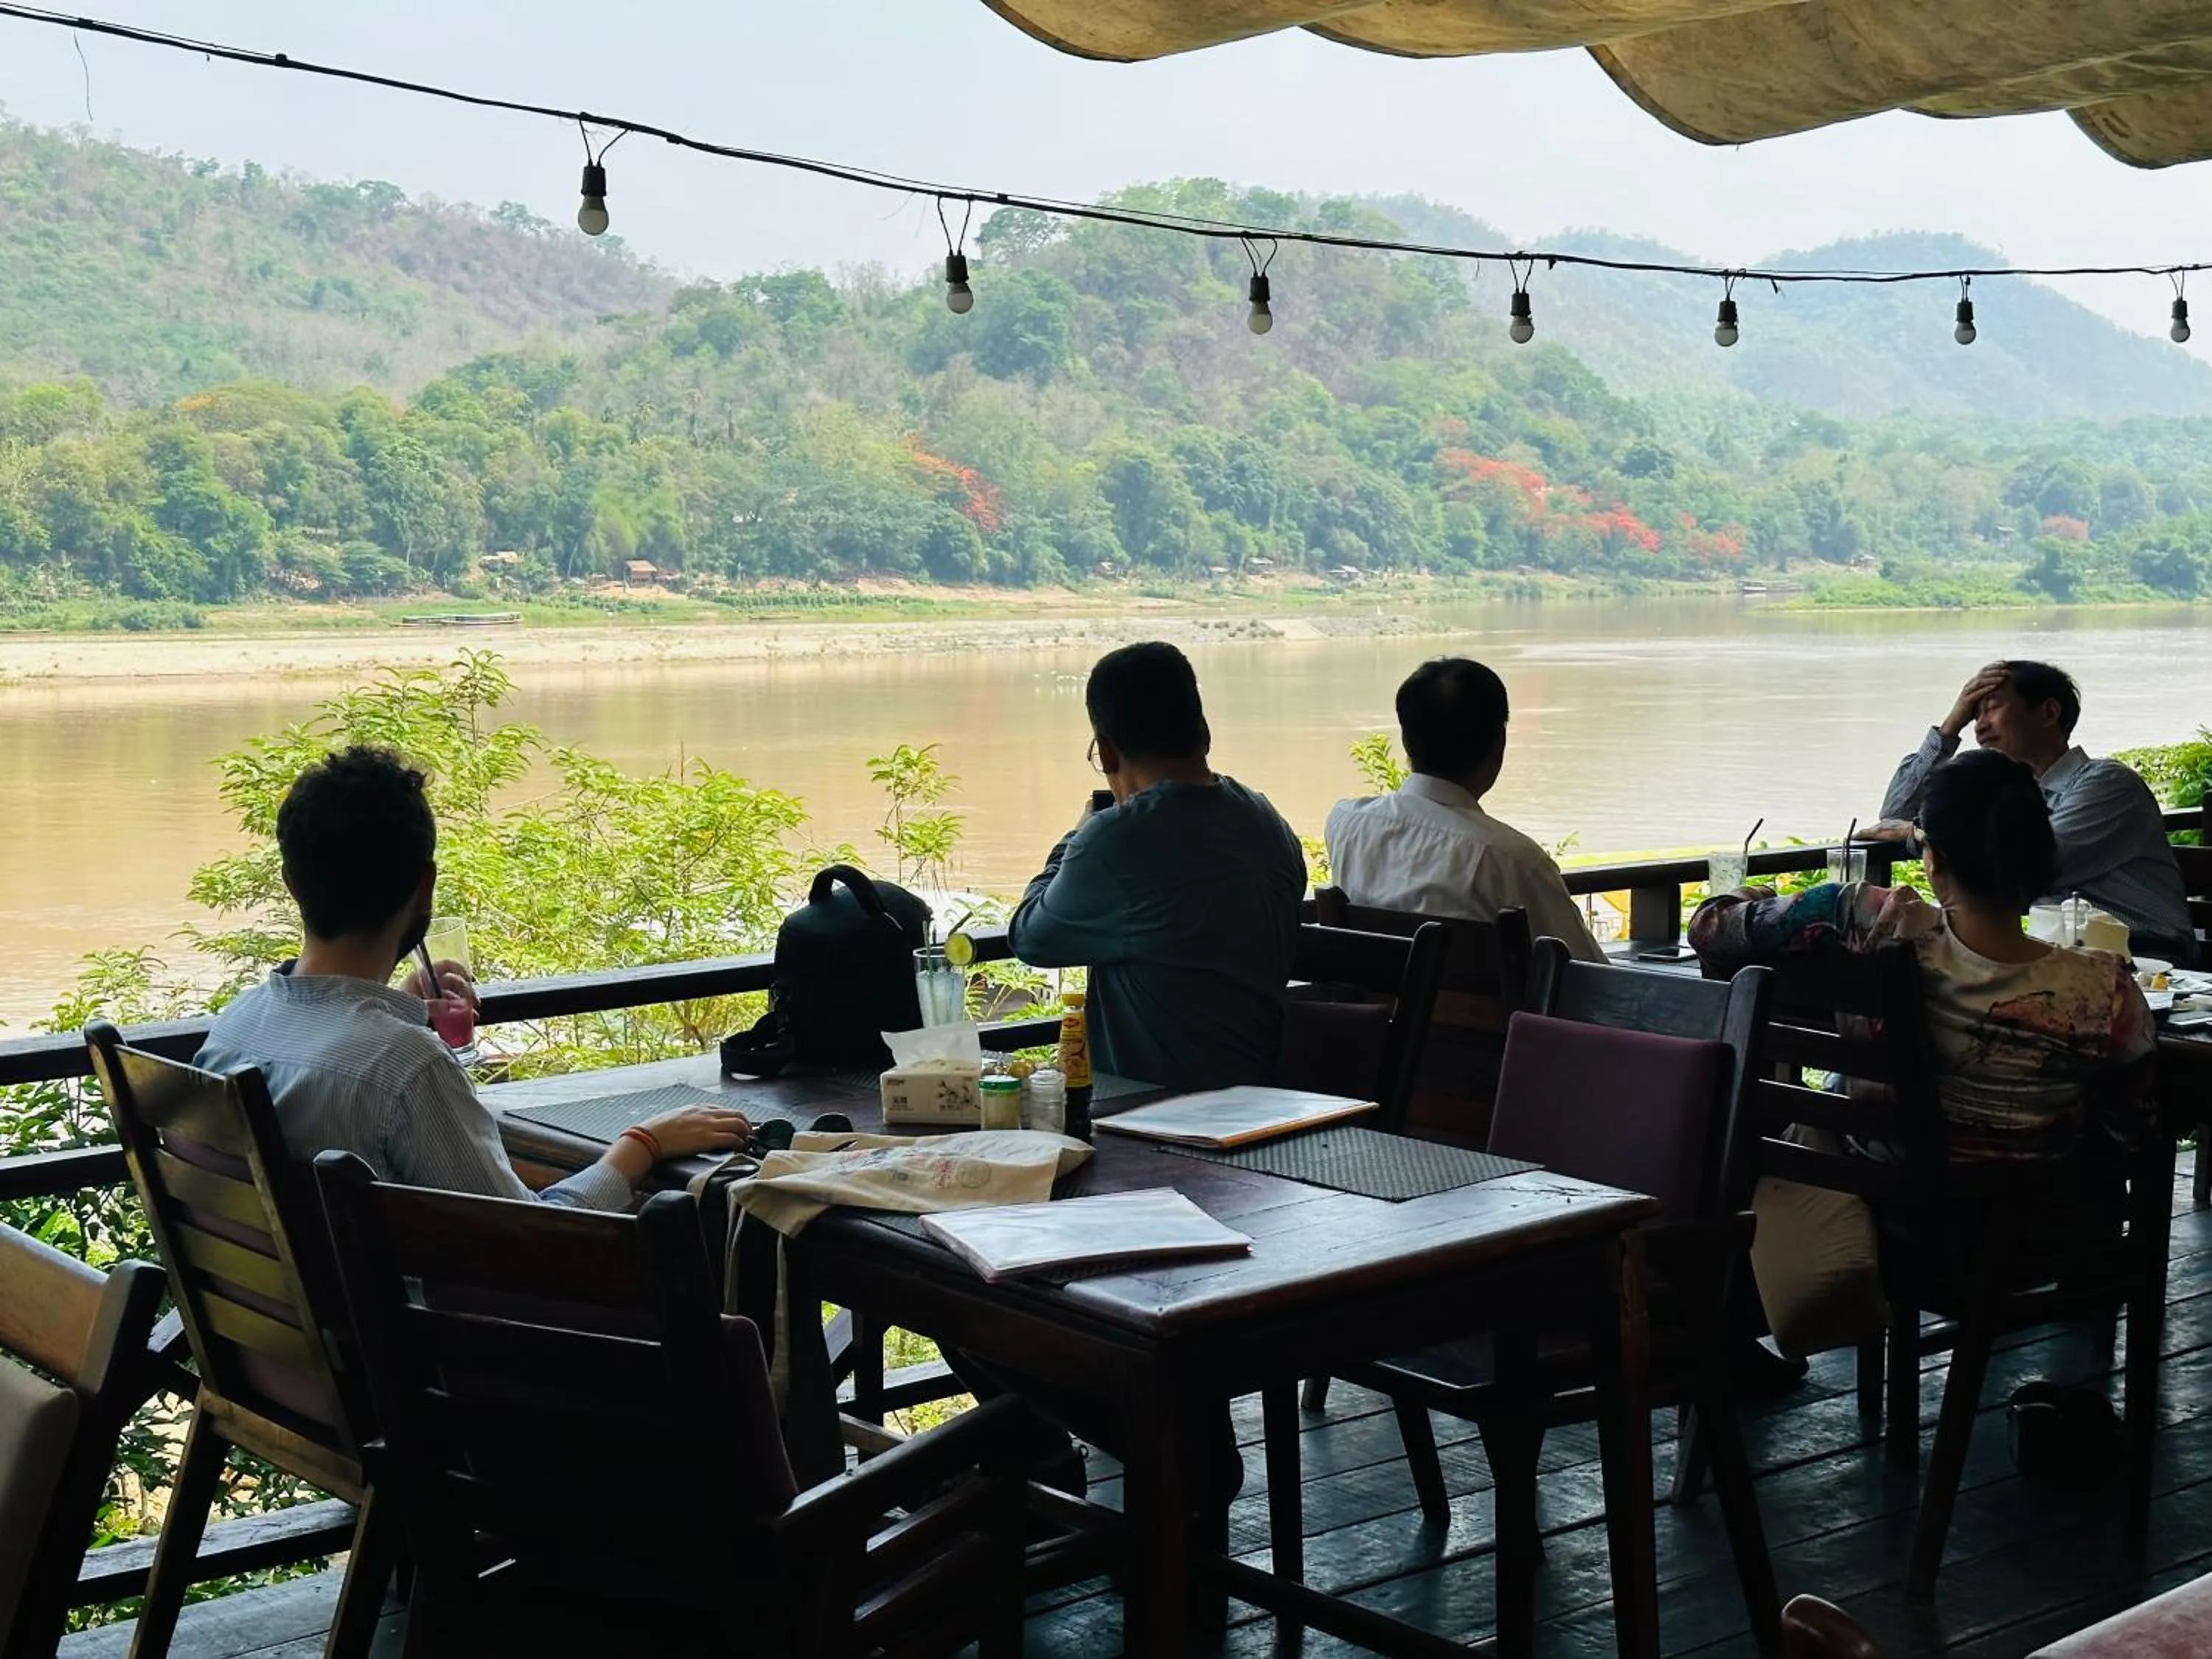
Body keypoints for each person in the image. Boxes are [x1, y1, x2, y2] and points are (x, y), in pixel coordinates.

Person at [197, 745, 747, 1208]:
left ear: (292, 882)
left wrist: (389, 1009)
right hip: (416, 1336)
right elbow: (529, 1242)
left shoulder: (237, 1026)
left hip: (285, 1331)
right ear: (424, 887)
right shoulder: (406, 1065)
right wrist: (643, 1144)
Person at [1700, 747, 2156, 1164]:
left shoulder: (1870, 917)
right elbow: (2130, 1126)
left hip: (1877, 1191)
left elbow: (1710, 928)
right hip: (2027, 1228)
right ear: (2040, 857)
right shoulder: (2106, 987)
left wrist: (1751, 891)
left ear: (1933, 859)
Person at [1009, 641, 1307, 1093]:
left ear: (1107, 753)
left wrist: (1076, 835)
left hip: (1155, 1114)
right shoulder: (1266, 819)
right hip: (1260, 1099)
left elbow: (1029, 937)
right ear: (1203, 732)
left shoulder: (1116, 840)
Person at [1875, 660, 2193, 964]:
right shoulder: (2010, 794)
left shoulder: (2107, 783)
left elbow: (2028, 865)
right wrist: (1948, 728)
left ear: (2048, 712)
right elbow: (1894, 813)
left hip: (2150, 958)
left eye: (1992, 709)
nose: (1979, 727)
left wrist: (1920, 834)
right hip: (2063, 956)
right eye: (1973, 714)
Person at [1324, 657, 1605, 961]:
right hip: (1484, 1011)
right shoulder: (1511, 860)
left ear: (1406, 741)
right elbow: (1590, 974)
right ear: (1499, 743)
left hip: (1381, 1006)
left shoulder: (1346, 824)